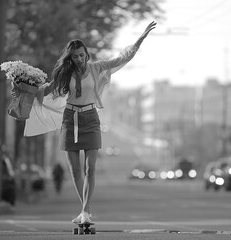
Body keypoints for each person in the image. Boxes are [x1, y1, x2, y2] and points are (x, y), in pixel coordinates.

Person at [29, 21, 156, 224]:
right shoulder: (65, 73)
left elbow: (122, 58)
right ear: (70, 57)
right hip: (70, 119)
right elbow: (47, 91)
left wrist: (139, 41)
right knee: (75, 170)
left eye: (82, 55)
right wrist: (25, 85)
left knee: (90, 168)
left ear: (87, 55)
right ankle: (84, 210)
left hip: (90, 119)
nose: (79, 59)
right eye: (75, 56)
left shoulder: (97, 68)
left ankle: (86, 211)